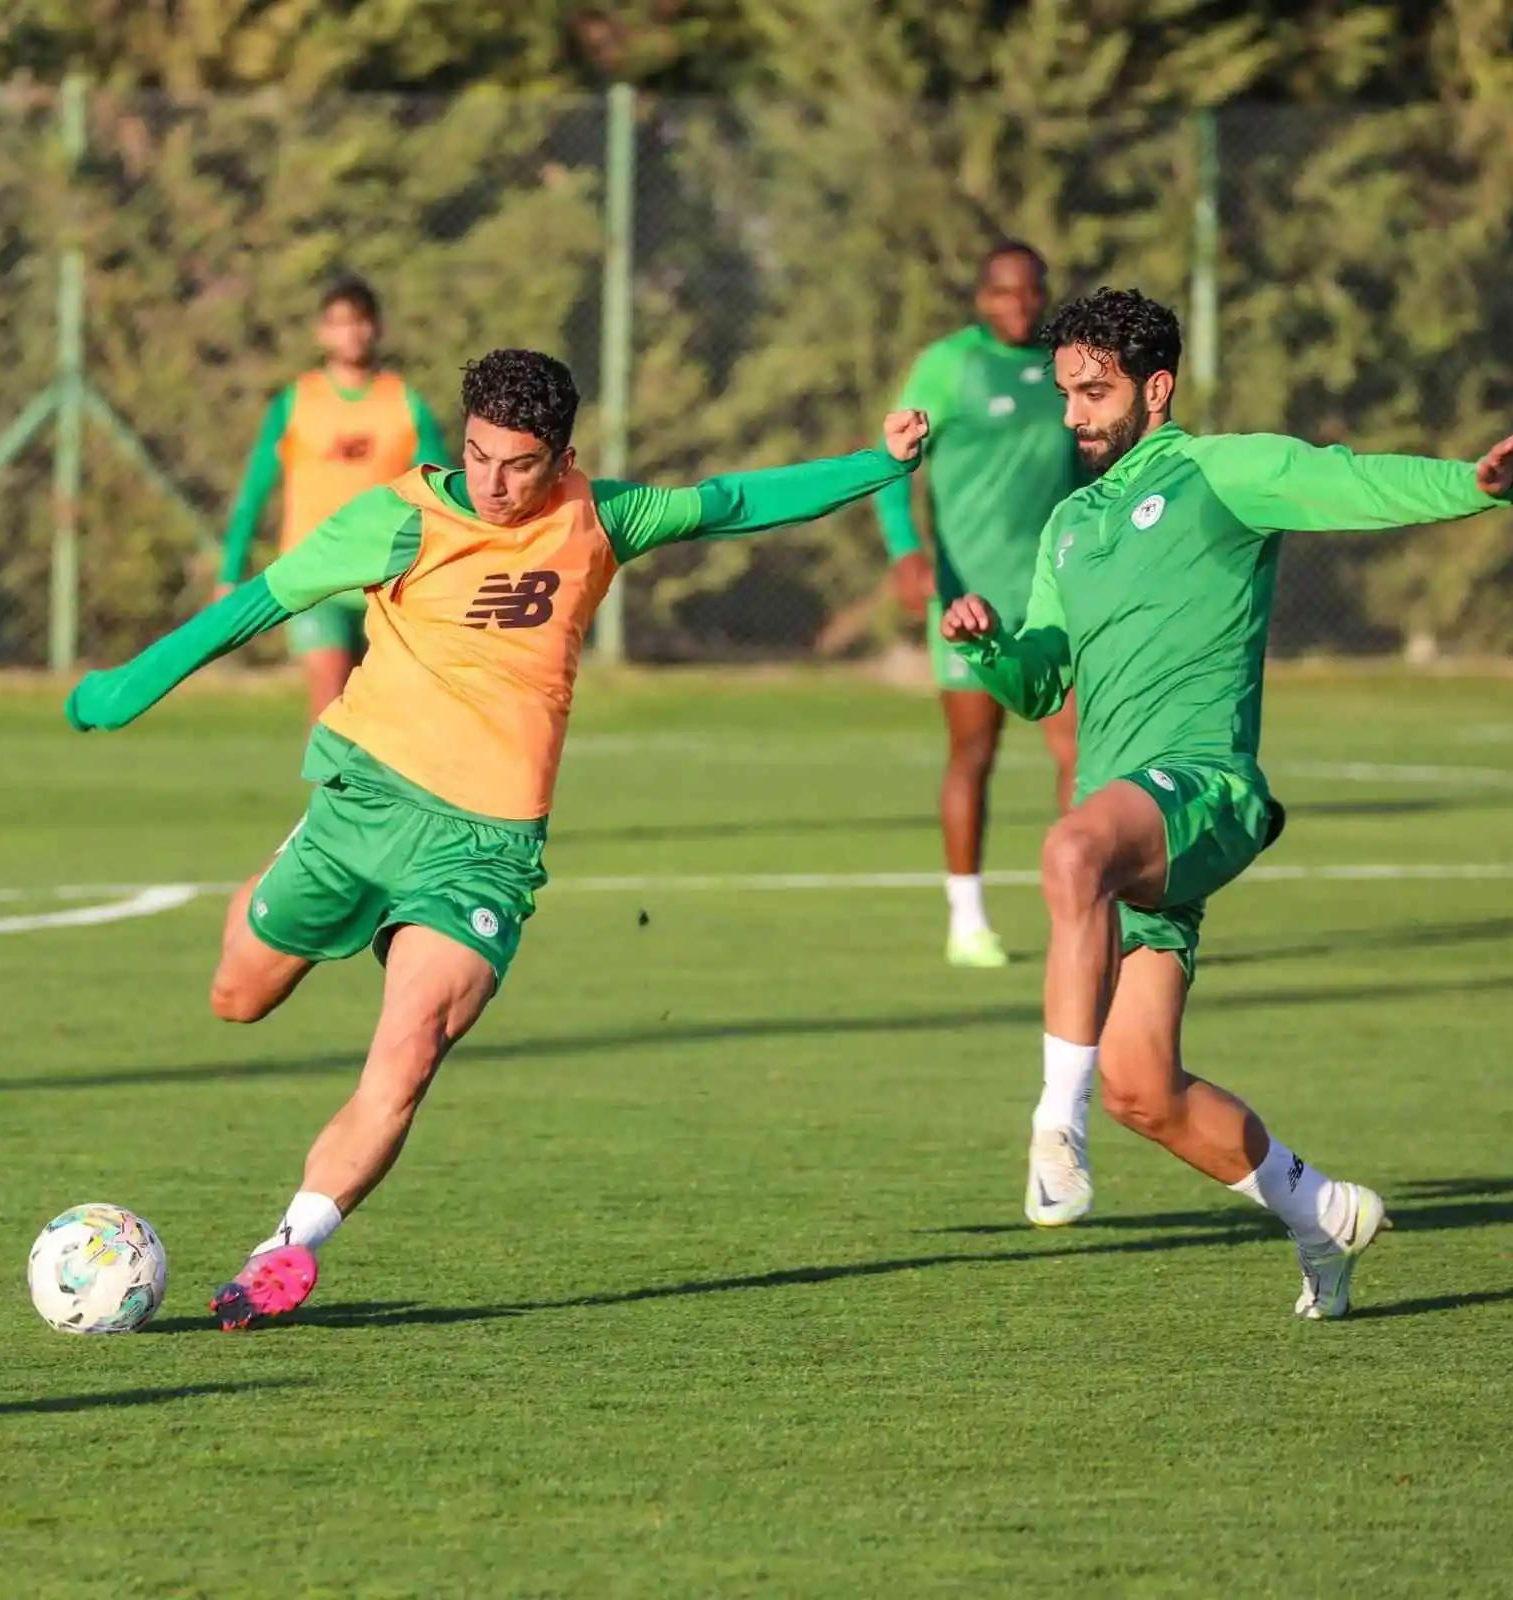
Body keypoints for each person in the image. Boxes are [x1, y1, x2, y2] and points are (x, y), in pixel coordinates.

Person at [67, 349, 930, 1330]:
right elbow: (261, 603)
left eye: (518, 464)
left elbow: (730, 501)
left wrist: (877, 464)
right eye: (477, 455)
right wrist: (128, 686)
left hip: (482, 848)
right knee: (239, 996)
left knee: (410, 1053)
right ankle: (285, 873)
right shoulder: (397, 518)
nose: (491, 480)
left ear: (562, 458)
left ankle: (286, 1248)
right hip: (360, 809)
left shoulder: (599, 517)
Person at [941, 287, 1513, 1317]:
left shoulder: (1217, 471)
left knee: (1069, 852)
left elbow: (1343, 484)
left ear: (1156, 387)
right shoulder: (1069, 525)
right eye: (1065, 394)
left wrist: (1471, 485)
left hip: (1200, 790)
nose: (1074, 414)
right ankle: (1323, 1215)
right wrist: (990, 645)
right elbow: (1042, 678)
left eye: (1095, 391)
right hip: (1130, 820)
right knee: (1142, 1085)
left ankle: (1052, 1125)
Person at [875, 242, 1082, 968]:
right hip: (969, 597)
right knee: (974, 750)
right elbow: (894, 461)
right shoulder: (949, 365)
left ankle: (1082, 912)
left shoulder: (1068, 363)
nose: (1017, 305)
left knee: (1079, 751)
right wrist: (907, 551)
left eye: (1029, 292)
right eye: (1001, 292)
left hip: (1056, 592)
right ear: (980, 296)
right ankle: (967, 919)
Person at [215, 276, 452, 722]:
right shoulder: (296, 403)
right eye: (339, 323)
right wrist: (229, 572)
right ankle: (322, 793)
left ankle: (369, 793)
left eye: (360, 322)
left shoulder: (404, 403)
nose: (352, 333)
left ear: (377, 328)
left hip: (385, 581)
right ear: (321, 332)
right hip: (315, 576)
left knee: (380, 716)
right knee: (329, 692)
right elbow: (253, 494)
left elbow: (441, 496)